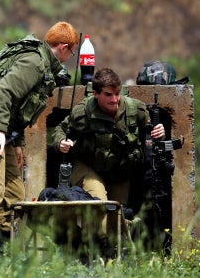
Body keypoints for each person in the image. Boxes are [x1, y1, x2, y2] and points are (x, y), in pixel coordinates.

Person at [0, 21, 79, 257]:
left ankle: (1, 250)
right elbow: (3, 92)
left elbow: (20, 109)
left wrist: (16, 143)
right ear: (63, 46)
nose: (70, 57)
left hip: (5, 134)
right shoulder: (35, 62)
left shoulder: (43, 64)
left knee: (14, 193)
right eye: (71, 51)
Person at [52, 67, 165, 259]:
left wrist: (158, 131)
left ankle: (111, 256)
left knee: (116, 215)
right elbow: (60, 130)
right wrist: (61, 143)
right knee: (98, 204)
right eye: (108, 95)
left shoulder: (135, 109)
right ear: (95, 94)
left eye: (116, 94)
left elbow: (151, 130)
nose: (114, 100)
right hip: (89, 167)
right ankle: (90, 254)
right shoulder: (82, 112)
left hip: (120, 171)